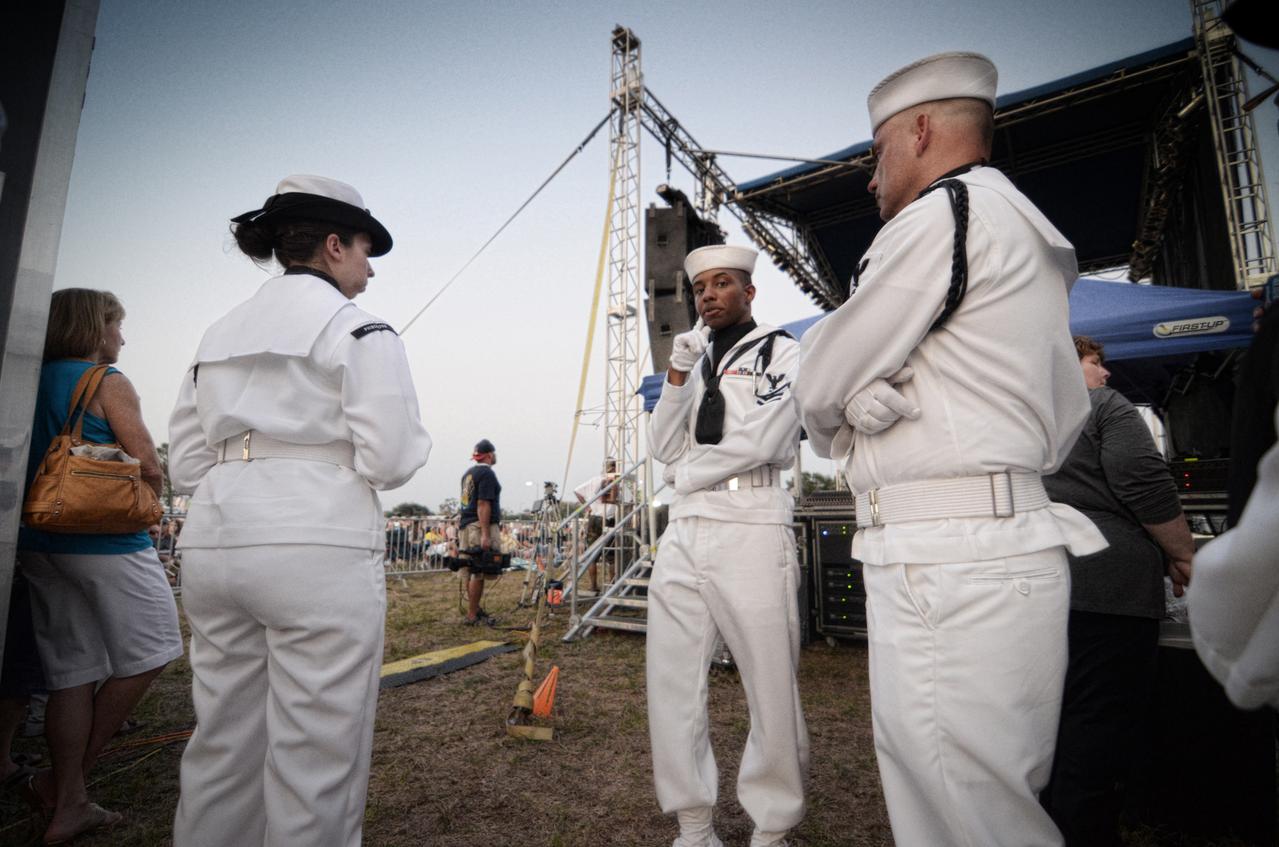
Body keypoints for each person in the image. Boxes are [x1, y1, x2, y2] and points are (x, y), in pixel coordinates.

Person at [792, 53, 1107, 846]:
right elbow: (1064, 415)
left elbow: (817, 380)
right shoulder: (1019, 227)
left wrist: (844, 413)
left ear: (921, 129)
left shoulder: (941, 215)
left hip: (949, 557)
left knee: (963, 810)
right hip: (987, 546)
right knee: (978, 798)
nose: (870, 178)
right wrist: (853, 402)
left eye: (875, 152)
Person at [168, 174, 432, 846]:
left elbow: (187, 463)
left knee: (222, 742)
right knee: (317, 755)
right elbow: (392, 459)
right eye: (366, 250)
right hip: (317, 542)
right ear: (334, 245)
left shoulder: (215, 333)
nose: (371, 269)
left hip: (216, 537)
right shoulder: (359, 328)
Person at [647, 244, 808, 847]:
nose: (709, 295)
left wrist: (687, 474)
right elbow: (663, 445)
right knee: (672, 679)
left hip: (751, 516)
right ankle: (693, 822)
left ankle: (773, 826)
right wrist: (678, 378)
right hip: (687, 526)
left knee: (769, 681)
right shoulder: (691, 356)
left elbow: (765, 437)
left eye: (722, 284)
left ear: (749, 292)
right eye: (700, 288)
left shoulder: (782, 349)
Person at [16, 288, 183, 843]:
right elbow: (147, 463)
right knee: (158, 646)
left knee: (71, 672)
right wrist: (148, 507)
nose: (122, 336)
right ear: (94, 327)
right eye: (116, 324)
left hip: (37, 538)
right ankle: (65, 787)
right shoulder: (107, 381)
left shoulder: (24, 378)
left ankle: (71, 803)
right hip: (104, 541)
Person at [1039, 336, 1194, 846]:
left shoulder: (1012, 420)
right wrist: (1182, 552)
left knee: (1042, 733)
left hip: (1030, 588)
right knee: (1096, 735)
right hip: (1107, 588)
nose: (1105, 374)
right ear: (1063, 362)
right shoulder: (1102, 406)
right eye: (1094, 362)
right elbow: (1144, 480)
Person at [457, 439, 502, 625]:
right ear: (490, 455)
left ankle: (473, 609)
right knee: (479, 570)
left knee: (471, 568)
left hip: (467, 525)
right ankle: (472, 615)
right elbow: (483, 504)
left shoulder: (468, 473)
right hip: (478, 526)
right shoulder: (487, 474)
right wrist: (485, 533)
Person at [574, 458, 619, 594]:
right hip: (608, 519)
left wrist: (587, 507)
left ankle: (594, 586)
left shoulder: (594, 480)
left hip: (595, 519)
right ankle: (611, 586)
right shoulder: (615, 481)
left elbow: (577, 491)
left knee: (593, 555)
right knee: (611, 556)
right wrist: (587, 508)